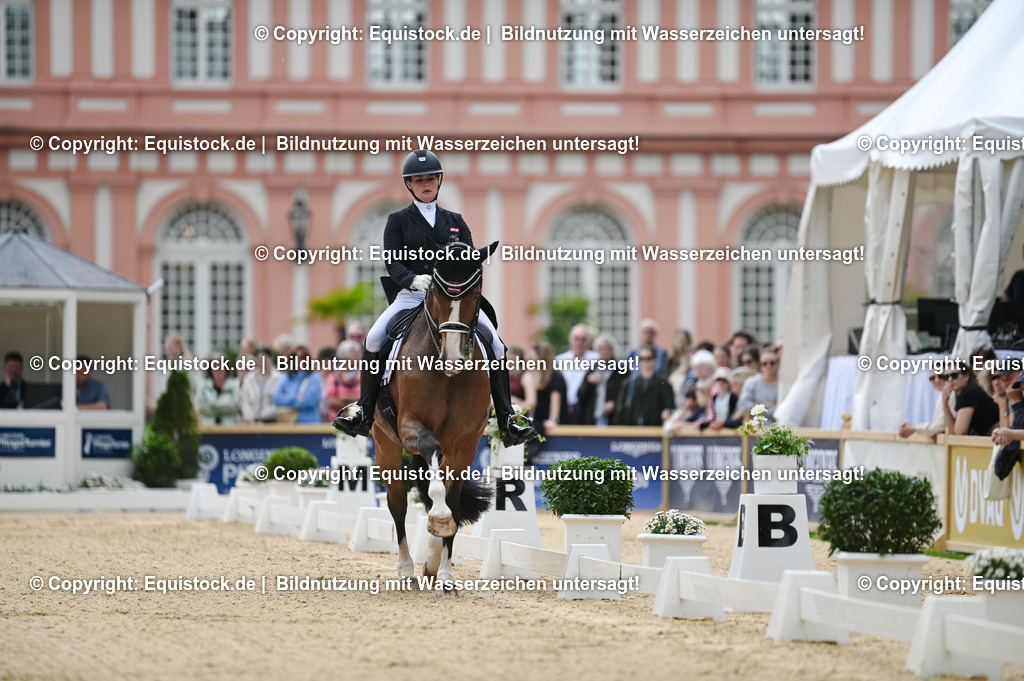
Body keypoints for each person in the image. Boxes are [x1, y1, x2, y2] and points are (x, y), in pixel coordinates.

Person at [332, 150, 535, 446]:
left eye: (430, 179)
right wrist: (412, 280)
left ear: (438, 181)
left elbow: (469, 260)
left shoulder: (455, 220)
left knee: (496, 344)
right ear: (410, 185)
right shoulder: (398, 220)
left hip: (452, 298)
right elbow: (393, 261)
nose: (425, 184)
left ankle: (506, 418)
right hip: (411, 296)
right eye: (419, 180)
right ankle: (363, 410)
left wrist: (457, 283)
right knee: (374, 338)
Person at [613, 346, 675, 426]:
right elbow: (620, 411)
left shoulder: (664, 384)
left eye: (648, 358)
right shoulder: (628, 384)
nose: (645, 362)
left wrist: (667, 413)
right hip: (632, 432)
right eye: (642, 358)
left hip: (655, 432)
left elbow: (670, 407)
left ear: (655, 359)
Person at [577, 334, 628, 426]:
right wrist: (589, 382)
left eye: (608, 349)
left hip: (613, 421)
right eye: (602, 349)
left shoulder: (621, 371)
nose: (605, 352)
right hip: (593, 421)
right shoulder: (592, 370)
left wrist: (615, 404)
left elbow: (627, 395)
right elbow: (581, 397)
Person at [554, 324, 600, 424]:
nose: (579, 343)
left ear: (588, 342)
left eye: (583, 339)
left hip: (585, 409)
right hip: (563, 409)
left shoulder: (596, 359)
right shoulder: (559, 360)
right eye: (576, 339)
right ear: (570, 340)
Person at [942, 362, 999, 436]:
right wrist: (945, 405)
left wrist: (945, 406)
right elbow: (953, 429)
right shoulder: (962, 393)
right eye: (946, 377)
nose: (950, 379)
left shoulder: (969, 392)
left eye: (954, 375)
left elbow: (959, 432)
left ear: (966, 376)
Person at [898, 366, 955, 440]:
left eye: (940, 376)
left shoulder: (952, 394)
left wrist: (914, 428)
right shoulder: (942, 394)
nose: (937, 380)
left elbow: (941, 426)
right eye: (932, 378)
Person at [522, 341, 564, 436]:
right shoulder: (535, 375)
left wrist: (553, 419)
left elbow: (556, 398)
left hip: (550, 422)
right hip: (539, 422)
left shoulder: (554, 375)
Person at [273, 345, 322, 424]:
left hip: (309, 425)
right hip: (289, 425)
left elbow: (308, 401)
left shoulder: (314, 377)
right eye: (295, 358)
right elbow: (276, 398)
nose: (298, 361)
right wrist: (295, 397)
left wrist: (286, 398)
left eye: (302, 358)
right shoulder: (286, 377)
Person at [321, 340, 361, 422]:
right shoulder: (333, 376)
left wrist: (343, 398)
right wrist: (355, 403)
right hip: (338, 421)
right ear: (345, 356)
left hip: (359, 421)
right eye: (354, 354)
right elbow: (330, 401)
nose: (359, 357)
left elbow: (365, 399)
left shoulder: (363, 375)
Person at [239, 346, 281, 424]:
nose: (263, 362)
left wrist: (261, 416)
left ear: (271, 359)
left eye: (265, 359)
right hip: (251, 423)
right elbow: (245, 401)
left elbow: (278, 403)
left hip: (271, 422)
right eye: (260, 359)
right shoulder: (248, 379)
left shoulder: (279, 378)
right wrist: (250, 417)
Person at [196, 354, 240, 425]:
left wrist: (213, 406)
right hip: (208, 429)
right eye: (215, 367)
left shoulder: (234, 385)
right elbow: (200, 407)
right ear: (210, 370)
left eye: (221, 367)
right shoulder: (204, 386)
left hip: (230, 429)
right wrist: (225, 407)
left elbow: (236, 406)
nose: (218, 371)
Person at [738, 346, 780, 420]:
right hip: (756, 428)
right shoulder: (751, 382)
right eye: (764, 363)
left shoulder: (783, 385)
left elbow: (783, 409)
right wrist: (765, 406)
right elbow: (744, 405)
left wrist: (757, 408)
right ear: (760, 365)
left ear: (778, 364)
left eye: (772, 363)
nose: (768, 366)